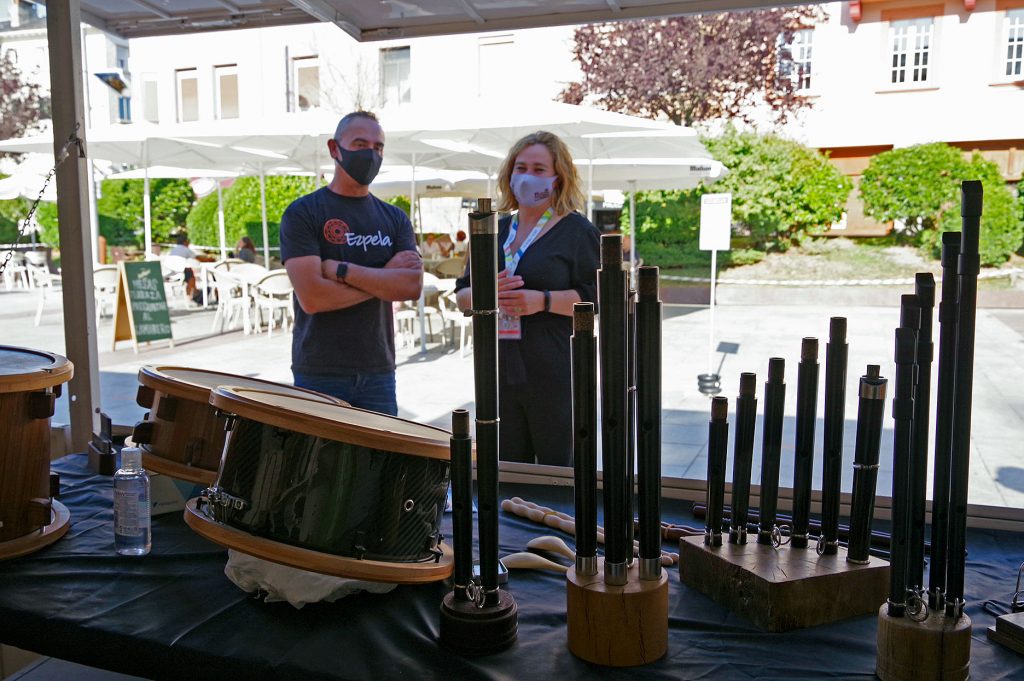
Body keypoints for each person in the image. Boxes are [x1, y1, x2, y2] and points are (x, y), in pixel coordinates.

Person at [455, 131, 600, 467]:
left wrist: (543, 300)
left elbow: (596, 300)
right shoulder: (493, 230)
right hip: (498, 371)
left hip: (554, 373)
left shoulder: (578, 232)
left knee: (557, 474)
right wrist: (486, 295)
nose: (527, 176)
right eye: (521, 167)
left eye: (538, 169)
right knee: (505, 472)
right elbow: (462, 294)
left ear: (558, 177)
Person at [279, 111, 422, 415]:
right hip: (320, 370)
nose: (371, 153)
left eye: (378, 147)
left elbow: (410, 286)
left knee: (379, 462)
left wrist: (343, 272)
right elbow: (313, 298)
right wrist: (385, 280)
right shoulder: (303, 213)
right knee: (318, 463)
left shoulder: (395, 218)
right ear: (334, 149)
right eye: (360, 144)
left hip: (378, 370)